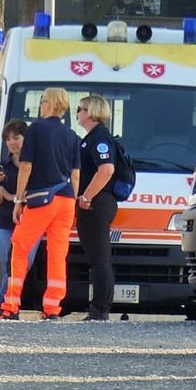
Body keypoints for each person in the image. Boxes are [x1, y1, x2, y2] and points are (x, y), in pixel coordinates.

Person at [0, 87, 80, 321]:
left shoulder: (36, 129)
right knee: (57, 253)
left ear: (50, 104)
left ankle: (11, 305)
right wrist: (72, 202)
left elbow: (26, 166)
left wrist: (18, 199)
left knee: (19, 247)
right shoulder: (71, 135)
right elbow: (75, 174)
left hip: (41, 199)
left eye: (42, 100)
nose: (40, 104)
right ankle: (53, 308)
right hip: (66, 200)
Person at [0, 119, 39, 320]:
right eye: (8, 139)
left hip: (30, 220)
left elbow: (30, 194)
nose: (12, 143)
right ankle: (9, 306)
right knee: (10, 264)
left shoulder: (35, 165)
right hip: (5, 223)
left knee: (24, 264)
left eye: (16, 137)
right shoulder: (2, 166)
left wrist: (12, 196)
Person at [75, 95, 119, 321]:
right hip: (97, 201)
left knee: (99, 259)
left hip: (97, 202)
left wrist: (86, 197)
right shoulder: (92, 138)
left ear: (90, 112)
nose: (77, 113)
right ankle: (99, 308)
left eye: (80, 109)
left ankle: (99, 309)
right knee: (98, 257)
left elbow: (107, 169)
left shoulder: (99, 138)